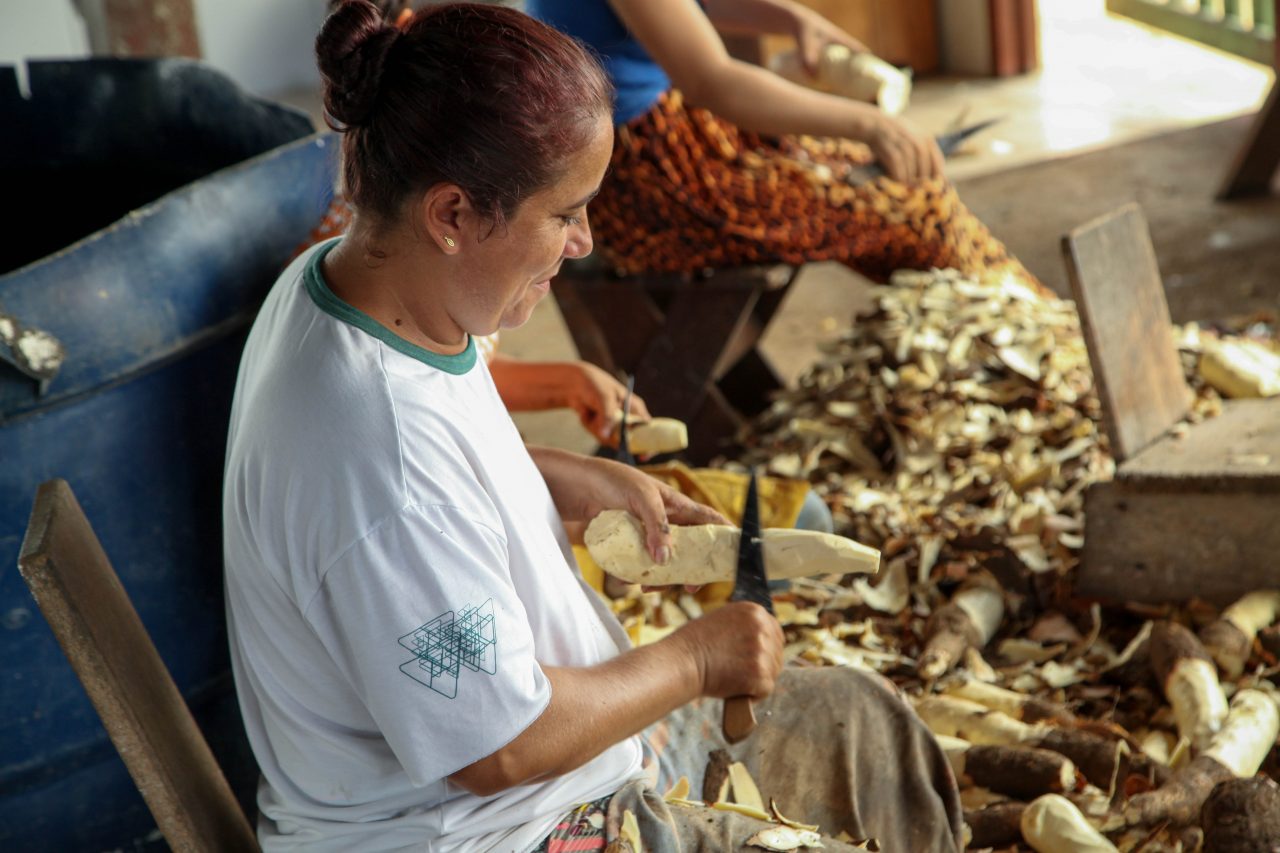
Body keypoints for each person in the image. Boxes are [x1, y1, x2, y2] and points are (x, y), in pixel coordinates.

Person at [223, 3, 962, 850]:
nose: (583, 242)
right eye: (564, 213)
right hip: (498, 830)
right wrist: (694, 662)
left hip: (548, 776)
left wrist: (563, 476)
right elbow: (501, 747)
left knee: (868, 724)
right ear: (452, 215)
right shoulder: (378, 458)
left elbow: (437, 477)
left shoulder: (350, 284)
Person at [526, 0, 1038, 286]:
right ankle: (1021, 341)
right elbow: (713, 80)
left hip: (672, 136)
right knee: (909, 207)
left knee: (883, 180)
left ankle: (1023, 326)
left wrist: (794, 20)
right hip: (648, 180)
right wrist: (872, 123)